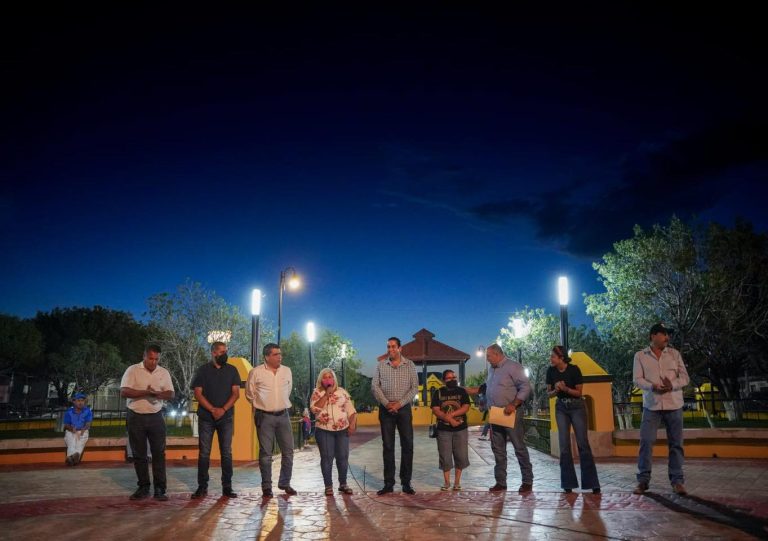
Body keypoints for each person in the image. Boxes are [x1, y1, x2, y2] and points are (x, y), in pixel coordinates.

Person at [633, 323, 690, 495]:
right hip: (652, 405)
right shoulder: (640, 356)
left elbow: (685, 378)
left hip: (674, 404)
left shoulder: (674, 354)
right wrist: (653, 387)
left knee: (676, 444)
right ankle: (643, 481)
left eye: (668, 335)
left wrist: (672, 385)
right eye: (664, 334)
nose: (667, 338)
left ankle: (677, 481)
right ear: (653, 336)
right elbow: (637, 379)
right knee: (646, 442)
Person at [467, 343, 533, 493]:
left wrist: (514, 404)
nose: (487, 359)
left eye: (488, 356)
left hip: (511, 413)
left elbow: (525, 387)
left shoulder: (514, 367)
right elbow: (487, 387)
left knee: (519, 447)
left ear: (497, 354)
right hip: (496, 414)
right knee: (498, 449)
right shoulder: (492, 369)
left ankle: (527, 480)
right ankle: (500, 482)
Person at [120, 344, 175, 501]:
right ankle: (143, 487)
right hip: (135, 415)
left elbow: (171, 393)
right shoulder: (132, 370)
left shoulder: (163, 372)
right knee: (139, 454)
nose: (153, 362)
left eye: (156, 359)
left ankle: (160, 489)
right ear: (144, 356)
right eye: (151, 358)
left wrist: (158, 394)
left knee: (159, 453)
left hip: (156, 416)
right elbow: (124, 391)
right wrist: (146, 392)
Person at [546, 345, 601, 494]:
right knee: (564, 445)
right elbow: (549, 394)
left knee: (582, 443)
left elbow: (579, 393)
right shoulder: (550, 371)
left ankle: (592, 482)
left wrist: (565, 389)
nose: (550, 359)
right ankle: (568, 483)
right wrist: (556, 390)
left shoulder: (574, 370)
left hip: (577, 407)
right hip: (561, 408)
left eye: (553, 356)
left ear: (561, 358)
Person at [190, 341, 241, 499]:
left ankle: (227, 487)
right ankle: (202, 487)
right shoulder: (202, 370)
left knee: (226, 453)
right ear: (213, 353)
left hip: (225, 418)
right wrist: (212, 409)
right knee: (204, 453)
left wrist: (223, 409)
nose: (225, 354)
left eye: (226, 351)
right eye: (222, 351)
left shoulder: (232, 370)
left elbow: (236, 393)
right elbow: (198, 393)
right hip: (206, 418)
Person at [245, 343, 296, 498]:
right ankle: (267, 487)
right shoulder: (256, 372)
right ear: (267, 356)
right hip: (264, 416)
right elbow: (249, 393)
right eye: (275, 354)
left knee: (288, 451)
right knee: (266, 453)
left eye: (280, 354)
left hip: (283, 415)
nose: (279, 356)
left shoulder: (287, 371)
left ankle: (285, 483)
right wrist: (260, 405)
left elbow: (288, 390)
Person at [371, 336, 419, 495]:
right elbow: (375, 387)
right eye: (388, 347)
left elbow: (414, 388)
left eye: (393, 347)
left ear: (400, 348)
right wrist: (387, 403)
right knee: (388, 446)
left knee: (407, 445)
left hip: (404, 409)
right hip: (386, 410)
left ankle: (406, 483)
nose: (390, 350)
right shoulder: (381, 365)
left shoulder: (409, 365)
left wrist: (399, 404)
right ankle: (388, 483)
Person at [310, 368, 357, 495]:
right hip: (324, 430)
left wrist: (352, 424)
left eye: (330, 377)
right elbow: (315, 409)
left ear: (334, 379)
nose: (328, 379)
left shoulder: (342, 392)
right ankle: (328, 486)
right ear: (321, 380)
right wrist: (326, 394)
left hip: (342, 430)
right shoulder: (317, 393)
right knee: (327, 458)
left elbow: (351, 411)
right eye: (324, 377)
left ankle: (343, 484)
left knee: (342, 457)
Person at [431, 369, 471, 491]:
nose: (452, 379)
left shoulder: (462, 391)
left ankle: (457, 482)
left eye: (454, 377)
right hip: (443, 430)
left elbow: (466, 407)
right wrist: (449, 420)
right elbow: (436, 410)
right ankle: (447, 482)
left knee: (461, 455)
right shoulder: (438, 392)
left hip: (461, 429)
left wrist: (451, 415)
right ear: (444, 380)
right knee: (445, 456)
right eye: (449, 378)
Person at [63, 392, 92, 466]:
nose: (81, 403)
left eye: (82, 401)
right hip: (71, 430)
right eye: (78, 400)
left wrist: (84, 428)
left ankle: (70, 458)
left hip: (83, 430)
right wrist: (72, 429)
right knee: (71, 441)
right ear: (74, 401)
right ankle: (75, 457)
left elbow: (88, 424)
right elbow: (66, 425)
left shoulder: (87, 411)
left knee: (80, 442)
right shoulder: (69, 412)